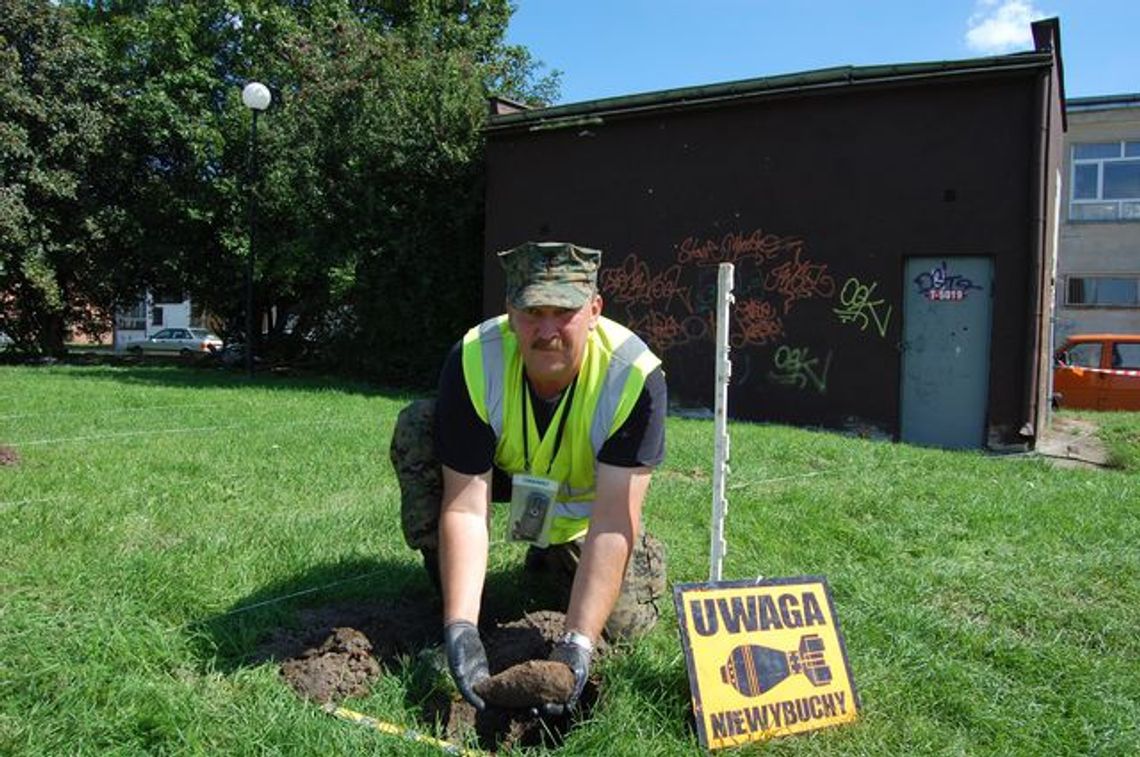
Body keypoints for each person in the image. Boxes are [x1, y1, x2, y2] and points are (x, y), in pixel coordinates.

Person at [390, 240, 667, 715]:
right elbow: (465, 505)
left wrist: (578, 643)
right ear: (509, 310)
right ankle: (458, 594)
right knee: (419, 425)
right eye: (531, 310)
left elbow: (612, 522)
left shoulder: (633, 377)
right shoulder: (475, 359)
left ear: (595, 309)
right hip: (506, 474)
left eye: (564, 311)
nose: (546, 330)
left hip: (589, 507)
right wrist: (460, 626)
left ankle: (565, 557)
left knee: (622, 631)